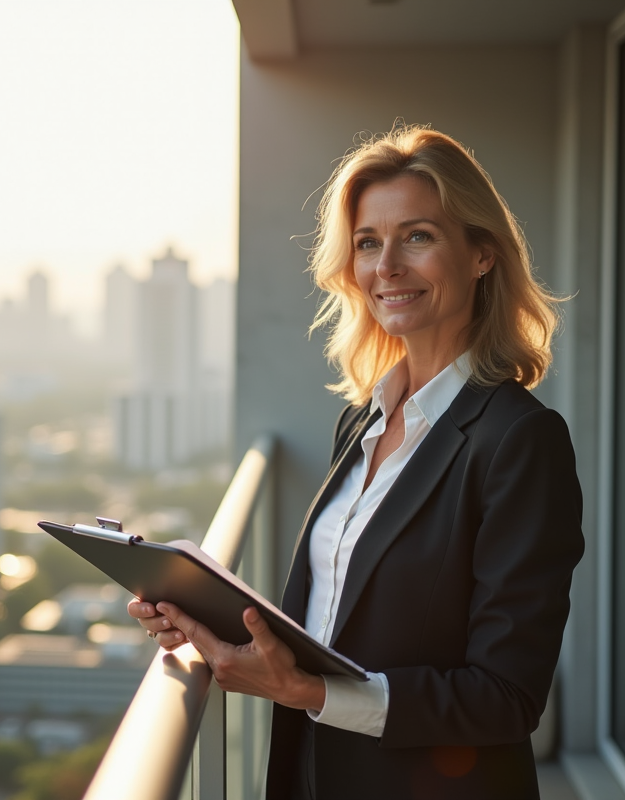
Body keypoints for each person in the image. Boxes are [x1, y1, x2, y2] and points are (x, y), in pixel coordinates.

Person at [128, 125, 584, 799]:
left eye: (418, 236)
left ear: (482, 254)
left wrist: (310, 692)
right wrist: (207, 620)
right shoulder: (363, 420)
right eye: (368, 243)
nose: (386, 266)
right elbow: (338, 616)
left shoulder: (520, 439)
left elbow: (506, 697)